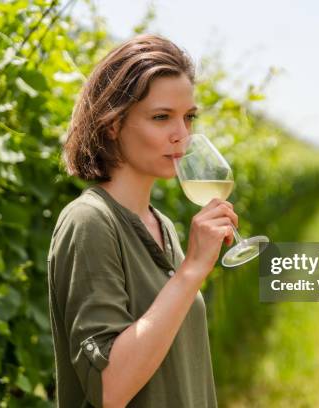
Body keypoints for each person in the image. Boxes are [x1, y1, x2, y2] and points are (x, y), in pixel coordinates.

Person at [47, 33, 238, 408]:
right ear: (112, 124)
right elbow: (109, 389)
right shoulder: (89, 222)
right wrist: (192, 270)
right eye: (161, 117)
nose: (182, 135)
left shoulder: (161, 224)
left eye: (189, 118)